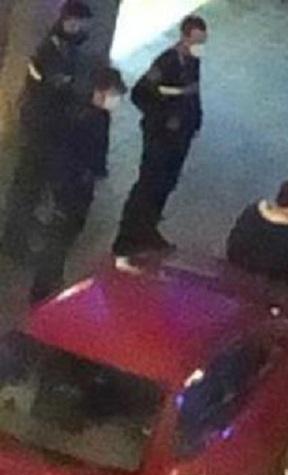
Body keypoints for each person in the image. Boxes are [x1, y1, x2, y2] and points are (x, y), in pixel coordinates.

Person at [2, 1, 93, 262]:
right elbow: (44, 90)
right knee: (27, 187)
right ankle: (13, 242)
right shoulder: (48, 52)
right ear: (65, 21)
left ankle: (20, 233)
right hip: (41, 130)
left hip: (50, 130)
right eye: (75, 23)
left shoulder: (67, 48)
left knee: (34, 186)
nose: (78, 28)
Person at [113, 15, 208, 257]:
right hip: (160, 136)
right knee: (148, 184)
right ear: (184, 37)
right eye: (196, 40)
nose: (200, 46)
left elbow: (192, 94)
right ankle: (127, 237)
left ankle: (148, 229)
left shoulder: (193, 61)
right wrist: (164, 117)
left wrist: (195, 121)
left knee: (166, 184)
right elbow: (140, 94)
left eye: (203, 41)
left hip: (180, 137)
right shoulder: (165, 63)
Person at [29, 66, 124, 303]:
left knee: (68, 234)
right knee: (58, 237)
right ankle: (43, 288)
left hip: (82, 184)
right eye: (112, 92)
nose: (115, 99)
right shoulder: (80, 117)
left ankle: (52, 279)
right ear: (100, 91)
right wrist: (64, 187)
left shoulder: (100, 115)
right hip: (69, 187)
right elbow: (65, 156)